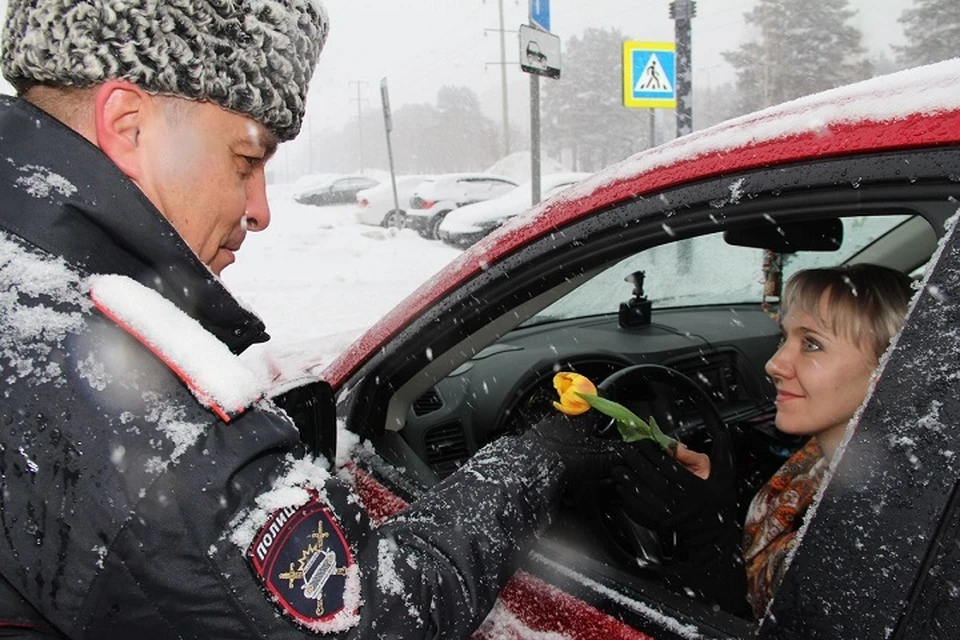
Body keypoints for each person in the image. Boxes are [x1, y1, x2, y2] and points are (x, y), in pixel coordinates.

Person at [0, 2, 623, 638]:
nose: (260, 208)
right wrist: (536, 459)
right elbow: (377, 617)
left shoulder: (24, 286)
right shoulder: (145, 423)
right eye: (247, 160)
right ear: (126, 125)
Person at [611, 263, 914, 619]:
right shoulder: (820, 458)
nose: (774, 364)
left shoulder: (877, 533)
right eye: (785, 338)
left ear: (891, 366)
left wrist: (706, 534)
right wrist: (714, 502)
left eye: (812, 344)